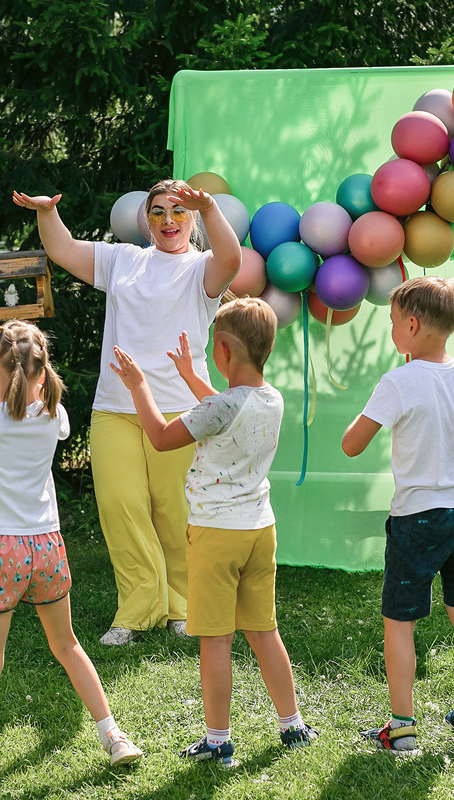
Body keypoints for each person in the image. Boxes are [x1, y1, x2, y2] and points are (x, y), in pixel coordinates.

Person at [13, 179, 241, 645]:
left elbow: (232, 260)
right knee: (121, 507)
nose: (169, 221)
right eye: (158, 212)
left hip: (179, 410)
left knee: (175, 511)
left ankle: (182, 605)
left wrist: (211, 208)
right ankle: (137, 609)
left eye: (179, 212)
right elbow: (62, 248)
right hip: (115, 407)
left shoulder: (202, 269)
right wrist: (45, 211)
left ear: (192, 219)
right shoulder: (123, 259)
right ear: (146, 220)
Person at [0, 322, 143, 799]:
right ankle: (113, 735)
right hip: (45, 546)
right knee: (67, 646)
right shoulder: (56, 418)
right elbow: (42, 400)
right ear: (42, 372)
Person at [110, 297, 318, 766]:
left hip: (215, 535)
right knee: (265, 632)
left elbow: (163, 437)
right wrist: (189, 375)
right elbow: (225, 411)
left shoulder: (223, 407)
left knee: (216, 641)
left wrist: (139, 385)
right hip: (260, 531)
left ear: (223, 352)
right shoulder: (271, 397)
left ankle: (219, 740)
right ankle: (293, 725)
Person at [341, 276, 454, 752]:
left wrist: (370, 410)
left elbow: (352, 445)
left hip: (418, 517)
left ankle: (402, 726)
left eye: (394, 323)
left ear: (411, 325)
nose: (394, 330)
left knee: (400, 621)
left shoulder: (397, 381)